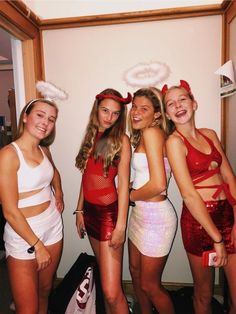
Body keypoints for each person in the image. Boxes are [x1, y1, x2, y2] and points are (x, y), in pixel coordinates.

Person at [162, 79, 236, 314]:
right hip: (199, 223)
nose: (178, 105)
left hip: (227, 214)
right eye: (171, 103)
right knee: (204, 293)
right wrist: (217, 238)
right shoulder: (173, 142)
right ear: (167, 113)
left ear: (194, 103)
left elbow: (229, 178)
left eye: (182, 99)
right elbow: (189, 195)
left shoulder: (210, 134)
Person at [0, 94, 64, 314]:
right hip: (23, 236)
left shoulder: (44, 149)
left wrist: (59, 195)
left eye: (51, 119)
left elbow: (54, 173)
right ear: (25, 117)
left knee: (45, 290)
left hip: (53, 227)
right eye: (40, 115)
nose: (45, 122)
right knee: (27, 308)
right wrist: (38, 246)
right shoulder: (8, 155)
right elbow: (9, 211)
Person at [74, 88, 132, 314]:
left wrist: (120, 226)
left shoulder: (121, 140)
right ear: (96, 109)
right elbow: (87, 177)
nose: (109, 117)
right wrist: (79, 210)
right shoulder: (91, 135)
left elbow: (124, 185)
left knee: (111, 290)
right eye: (105, 110)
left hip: (109, 215)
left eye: (115, 113)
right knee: (106, 283)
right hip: (89, 213)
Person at [128, 87, 177, 314]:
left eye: (143, 108)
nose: (135, 112)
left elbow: (158, 184)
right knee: (135, 272)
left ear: (157, 114)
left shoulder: (152, 133)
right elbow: (147, 176)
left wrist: (128, 196)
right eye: (134, 106)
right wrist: (131, 188)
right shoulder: (144, 134)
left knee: (149, 284)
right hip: (140, 213)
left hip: (156, 217)